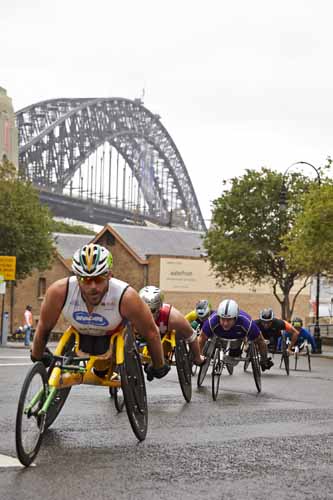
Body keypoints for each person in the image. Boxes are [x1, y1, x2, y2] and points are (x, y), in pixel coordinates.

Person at [31, 244, 170, 381]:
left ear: (110, 275)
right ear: (76, 276)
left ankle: (104, 368)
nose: (93, 287)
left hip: (110, 337)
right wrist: (37, 356)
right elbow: (44, 327)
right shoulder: (59, 291)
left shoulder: (127, 296)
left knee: (101, 369)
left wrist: (159, 366)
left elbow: (151, 332)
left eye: (98, 279)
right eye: (85, 279)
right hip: (80, 335)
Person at [198, 299, 274, 371]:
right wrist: (198, 357)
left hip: (237, 339)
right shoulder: (211, 321)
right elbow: (201, 338)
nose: (225, 323)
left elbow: (261, 341)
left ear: (236, 318)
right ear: (218, 317)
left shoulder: (246, 322)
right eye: (222, 319)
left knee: (236, 355)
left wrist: (264, 360)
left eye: (229, 320)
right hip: (218, 338)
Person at [138, 286, 205, 368]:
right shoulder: (131, 312)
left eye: (152, 310)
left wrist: (197, 358)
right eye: (144, 310)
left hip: (163, 337)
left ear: (159, 308)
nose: (149, 314)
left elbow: (191, 335)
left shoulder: (173, 317)